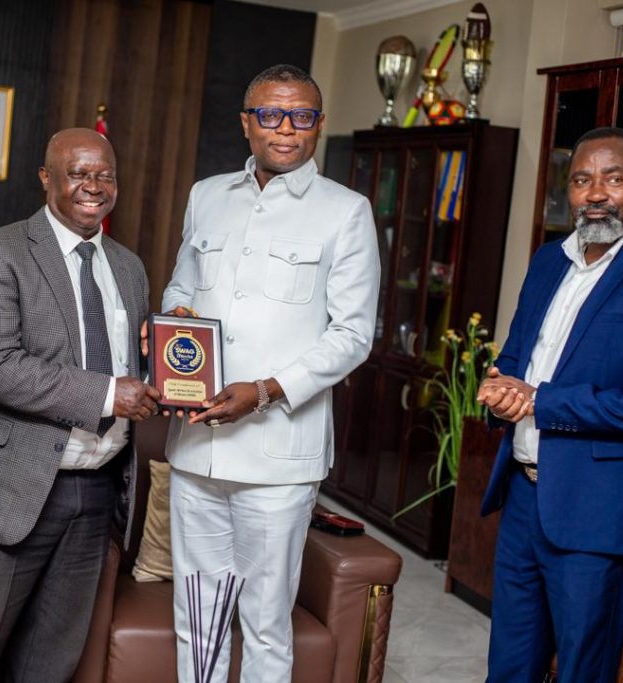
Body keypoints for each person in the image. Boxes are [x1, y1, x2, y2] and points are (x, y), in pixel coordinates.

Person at [159, 64, 380, 682]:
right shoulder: (206, 195)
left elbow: (353, 335)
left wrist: (264, 392)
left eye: (301, 116)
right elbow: (181, 286)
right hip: (197, 448)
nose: (286, 128)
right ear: (246, 123)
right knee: (198, 616)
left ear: (318, 125)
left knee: (264, 622)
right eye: (271, 114)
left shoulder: (346, 211)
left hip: (279, 457)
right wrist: (177, 320)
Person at [0, 128, 160, 682]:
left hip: (98, 489)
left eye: (104, 175)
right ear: (46, 178)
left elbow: (130, 362)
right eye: (78, 173)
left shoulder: (129, 267)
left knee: (51, 662)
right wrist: (109, 394)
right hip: (14, 484)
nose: (93, 186)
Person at [478, 126, 623, 682]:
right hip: (523, 494)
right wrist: (500, 391)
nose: (597, 193)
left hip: (597, 509)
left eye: (614, 178)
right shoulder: (548, 261)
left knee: (583, 669)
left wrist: (543, 401)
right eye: (582, 180)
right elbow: (515, 359)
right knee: (508, 667)